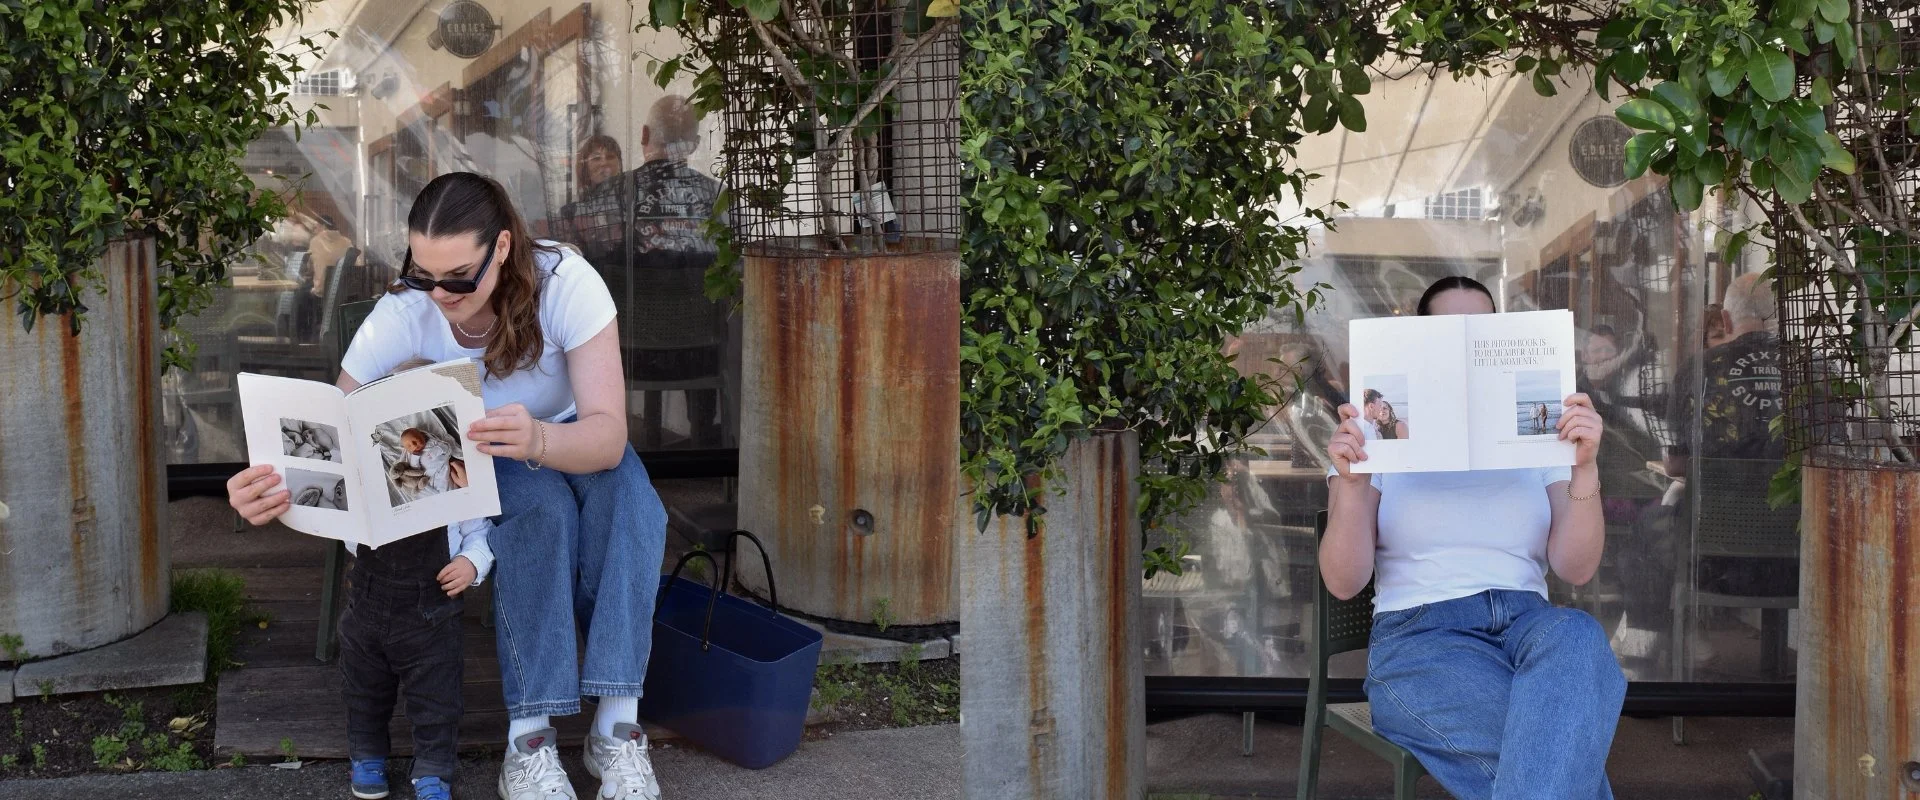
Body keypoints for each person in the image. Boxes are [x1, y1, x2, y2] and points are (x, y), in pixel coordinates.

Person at [227, 171, 670, 800]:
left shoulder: (567, 284)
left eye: (459, 277)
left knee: (631, 503)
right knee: (540, 513)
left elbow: (607, 436)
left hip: (568, 434)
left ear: (505, 249)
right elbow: (337, 432)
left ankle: (617, 728)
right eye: (422, 273)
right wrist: (271, 484)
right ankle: (530, 740)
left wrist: (539, 439)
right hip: (484, 456)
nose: (440, 293)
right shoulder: (405, 312)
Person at [1322, 275, 1623, 799]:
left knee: (1578, 634)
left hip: (1531, 626)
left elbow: (1575, 569)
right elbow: (1345, 582)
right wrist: (1353, 485)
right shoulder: (1376, 443)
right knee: (1557, 757)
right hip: (1422, 638)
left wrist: (1584, 468)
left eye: (1480, 331)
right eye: (1448, 331)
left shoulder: (1538, 433)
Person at [338, 516, 493, 800]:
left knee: (437, 697)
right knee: (364, 689)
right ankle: (366, 752)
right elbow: (349, 539)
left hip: (433, 611)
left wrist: (471, 562)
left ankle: (433, 767)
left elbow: (480, 531)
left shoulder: (455, 478)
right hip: (368, 602)